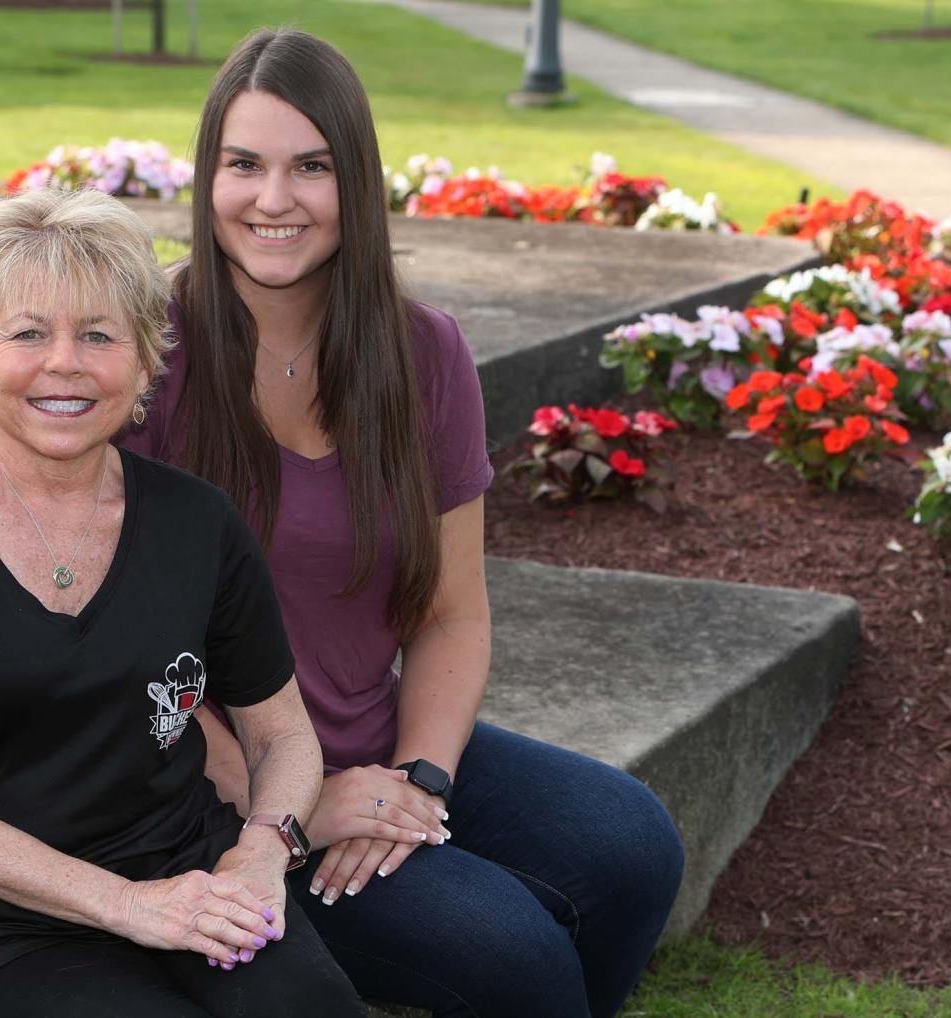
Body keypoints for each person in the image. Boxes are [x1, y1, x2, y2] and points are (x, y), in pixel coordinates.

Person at [119, 27, 686, 1018]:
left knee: (632, 843)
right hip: (200, 788)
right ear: (207, 179)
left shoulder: (423, 353)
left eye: (312, 167)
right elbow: (127, 662)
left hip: (371, 739)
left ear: (358, 181)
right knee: (513, 952)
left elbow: (452, 612)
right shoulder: (148, 362)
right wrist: (297, 803)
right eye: (243, 165)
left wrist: (418, 781)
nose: (274, 200)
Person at [0, 187, 365, 1018]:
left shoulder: (198, 521)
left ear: (145, 358)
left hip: (193, 874)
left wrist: (264, 852)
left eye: (97, 335)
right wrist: (129, 907)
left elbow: (281, 735)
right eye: (27, 333)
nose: (66, 364)